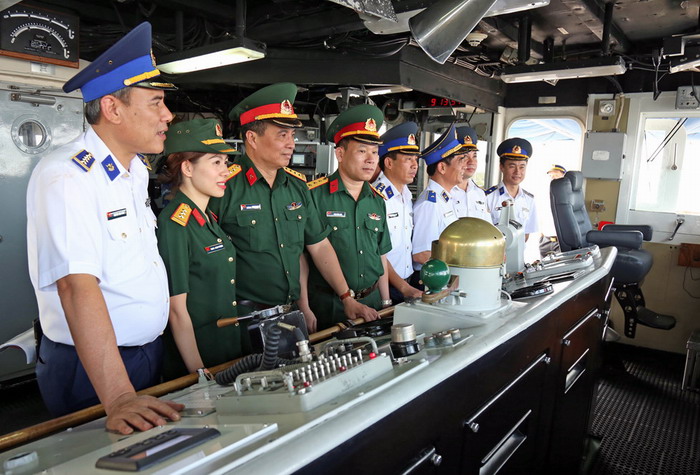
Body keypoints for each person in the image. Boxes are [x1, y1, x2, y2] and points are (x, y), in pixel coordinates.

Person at [26, 22, 184, 434]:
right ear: (113, 109)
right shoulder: (68, 175)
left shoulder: (134, 170)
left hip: (144, 352)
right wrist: (118, 396)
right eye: (156, 102)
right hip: (93, 367)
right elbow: (75, 286)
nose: (167, 115)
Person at [210, 83, 378, 334]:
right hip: (243, 319)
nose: (292, 143)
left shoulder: (298, 186)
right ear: (252, 138)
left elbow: (317, 245)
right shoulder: (224, 187)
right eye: (282, 135)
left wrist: (345, 297)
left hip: (291, 313)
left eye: (292, 135)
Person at [156, 119, 245, 380]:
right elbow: (176, 310)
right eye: (216, 162)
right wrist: (200, 374)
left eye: (225, 162)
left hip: (225, 350)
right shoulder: (176, 224)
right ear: (187, 168)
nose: (225, 171)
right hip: (200, 359)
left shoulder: (206, 218)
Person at [307, 104, 392, 330]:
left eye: (375, 152)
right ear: (340, 154)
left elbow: (381, 254)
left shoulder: (377, 200)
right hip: (330, 306)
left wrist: (386, 302)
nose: (371, 159)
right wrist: (303, 306)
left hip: (372, 303)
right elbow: (302, 257)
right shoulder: (314, 196)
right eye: (362, 151)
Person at [372, 122, 423, 303]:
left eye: (415, 159)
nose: (415, 165)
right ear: (388, 163)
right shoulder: (377, 198)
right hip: (387, 286)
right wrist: (402, 287)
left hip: (407, 282)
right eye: (408, 159)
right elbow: (377, 252)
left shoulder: (406, 196)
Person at [412, 124, 465, 275]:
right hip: (432, 279)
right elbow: (421, 254)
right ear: (442, 168)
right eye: (460, 161)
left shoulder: (445, 199)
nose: (464, 166)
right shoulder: (430, 204)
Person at [485, 137, 539, 240]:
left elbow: (526, 235)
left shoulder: (529, 200)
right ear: (501, 167)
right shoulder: (488, 197)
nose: (517, 172)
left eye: (522, 167)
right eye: (512, 166)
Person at [452, 126, 491, 222]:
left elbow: (488, 228)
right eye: (465, 156)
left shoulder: (480, 194)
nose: (472, 162)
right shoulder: (445, 193)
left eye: (474, 156)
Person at [539, 164, 567, 257]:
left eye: (556, 175)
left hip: (560, 241)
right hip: (545, 241)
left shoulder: (568, 197)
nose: (553, 178)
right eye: (551, 176)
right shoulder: (545, 196)